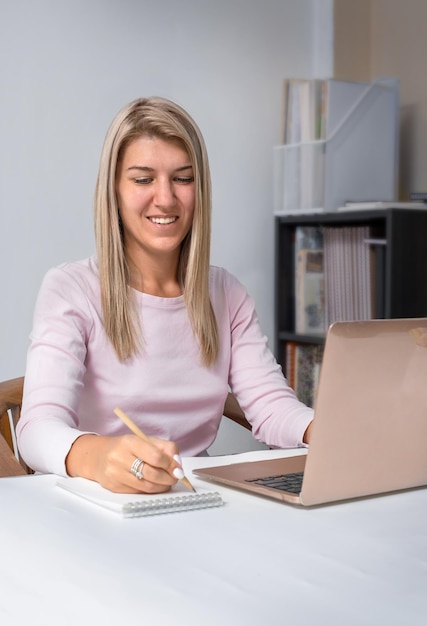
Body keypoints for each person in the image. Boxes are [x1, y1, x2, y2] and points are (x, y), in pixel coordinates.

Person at [17, 96, 313, 494]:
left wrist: (323, 431)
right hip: (97, 501)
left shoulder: (226, 293)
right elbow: (36, 430)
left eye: (183, 178)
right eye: (142, 179)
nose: (166, 198)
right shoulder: (71, 288)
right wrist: (100, 456)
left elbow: (273, 408)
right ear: (114, 191)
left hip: (194, 502)